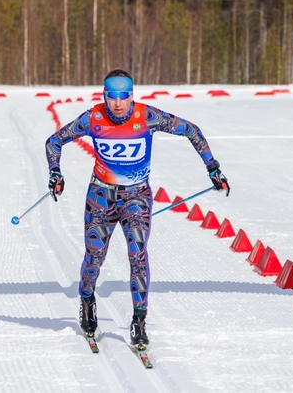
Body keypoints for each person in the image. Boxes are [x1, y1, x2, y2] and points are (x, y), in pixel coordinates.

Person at [44, 69, 229, 347]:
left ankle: (139, 320)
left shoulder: (148, 117)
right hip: (100, 198)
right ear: (104, 96)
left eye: (124, 96)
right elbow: (54, 141)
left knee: (137, 253)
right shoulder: (93, 118)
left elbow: (192, 130)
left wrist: (213, 168)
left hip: (136, 198)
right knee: (95, 257)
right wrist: (55, 173)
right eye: (112, 96)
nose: (118, 104)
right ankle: (86, 300)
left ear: (132, 96)